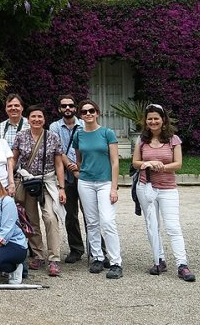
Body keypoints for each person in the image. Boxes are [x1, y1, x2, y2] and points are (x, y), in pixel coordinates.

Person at [132, 104, 195, 282]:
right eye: (150, 119)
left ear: (163, 120)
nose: (153, 122)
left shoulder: (173, 140)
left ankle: (182, 264)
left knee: (173, 227)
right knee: (152, 226)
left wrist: (161, 166)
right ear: (146, 121)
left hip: (167, 189)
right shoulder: (141, 140)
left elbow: (178, 164)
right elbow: (136, 162)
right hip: (146, 187)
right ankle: (158, 260)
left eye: (156, 118)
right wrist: (148, 162)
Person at [11, 105, 66, 277]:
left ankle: (54, 258)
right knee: (30, 219)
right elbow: (13, 159)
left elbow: (58, 163)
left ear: (44, 119)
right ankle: (38, 254)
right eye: (33, 116)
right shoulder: (20, 136)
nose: (36, 119)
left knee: (50, 217)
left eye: (40, 117)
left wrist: (61, 187)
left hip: (47, 181)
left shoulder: (52, 137)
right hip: (27, 181)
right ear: (28, 119)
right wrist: (11, 180)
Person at [72, 99, 124, 279]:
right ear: (80, 115)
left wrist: (114, 187)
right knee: (91, 222)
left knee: (108, 221)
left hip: (104, 182)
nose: (88, 114)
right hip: (86, 182)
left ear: (97, 112)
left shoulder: (107, 133)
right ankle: (97, 257)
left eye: (91, 110)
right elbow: (79, 159)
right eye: (84, 111)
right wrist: (79, 173)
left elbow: (115, 162)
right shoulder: (78, 135)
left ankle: (116, 262)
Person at [49, 95, 86, 264]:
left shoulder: (84, 124)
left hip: (86, 173)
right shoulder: (54, 126)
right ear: (59, 109)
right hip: (67, 176)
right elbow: (58, 150)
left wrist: (80, 167)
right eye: (64, 106)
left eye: (70, 105)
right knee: (70, 215)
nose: (67, 108)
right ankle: (76, 249)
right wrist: (71, 166)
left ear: (75, 107)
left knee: (91, 215)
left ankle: (99, 251)